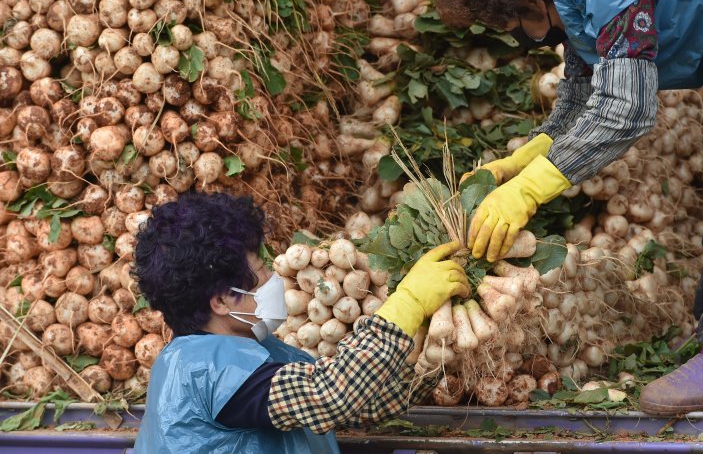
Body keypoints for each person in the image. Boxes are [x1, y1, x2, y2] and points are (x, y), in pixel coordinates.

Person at [435, 0, 703, 414]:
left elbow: (629, 108)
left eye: (512, 27)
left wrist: (528, 192)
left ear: (531, 5)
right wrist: (522, 161)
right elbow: (581, 94)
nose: (520, 38)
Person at [132, 192, 469, 452]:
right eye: (259, 274)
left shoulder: (261, 351)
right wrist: (407, 304)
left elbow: (360, 405)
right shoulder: (205, 371)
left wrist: (430, 360)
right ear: (221, 301)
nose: (272, 276)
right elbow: (328, 395)